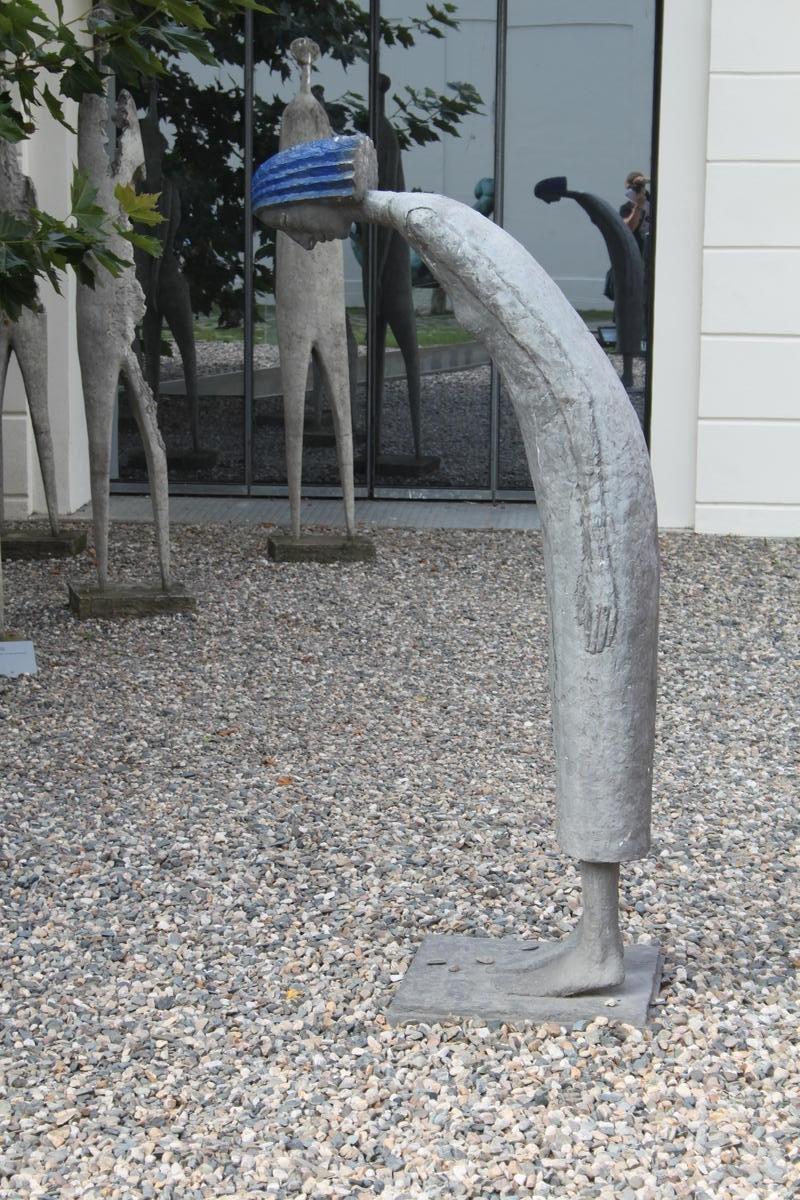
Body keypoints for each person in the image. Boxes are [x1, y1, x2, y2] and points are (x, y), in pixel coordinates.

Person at [620, 170, 650, 253]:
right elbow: (628, 229)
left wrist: (646, 180)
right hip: (639, 251)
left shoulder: (654, 201)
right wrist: (638, 207)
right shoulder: (626, 208)